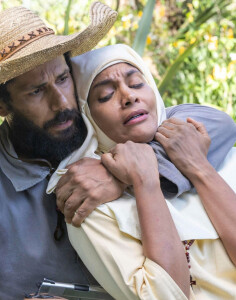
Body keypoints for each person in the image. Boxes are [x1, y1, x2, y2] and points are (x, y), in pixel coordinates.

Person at [0, 4, 121, 299]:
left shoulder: (110, 128)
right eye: (36, 91)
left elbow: (214, 127)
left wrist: (124, 174)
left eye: (62, 78)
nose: (61, 103)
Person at [48, 44, 236, 300]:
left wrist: (197, 167)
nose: (128, 96)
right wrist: (143, 181)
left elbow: (224, 122)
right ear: (86, 116)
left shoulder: (214, 152)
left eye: (137, 83)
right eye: (105, 96)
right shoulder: (88, 200)